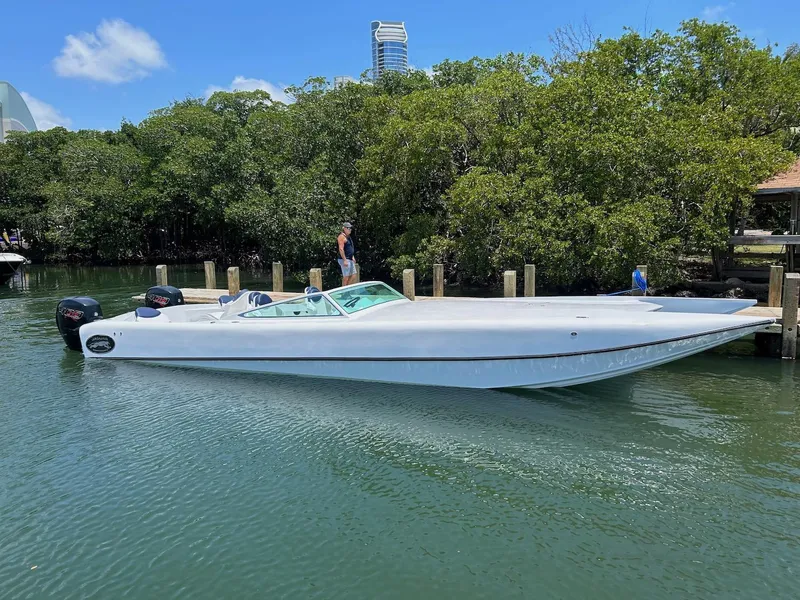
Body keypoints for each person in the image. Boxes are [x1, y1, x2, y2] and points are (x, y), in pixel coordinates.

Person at [337, 222, 356, 287]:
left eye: (350, 228)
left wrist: (352, 256)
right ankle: (344, 291)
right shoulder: (341, 237)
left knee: (353, 275)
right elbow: (341, 249)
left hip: (350, 258)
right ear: (344, 228)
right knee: (346, 276)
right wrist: (344, 260)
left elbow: (349, 247)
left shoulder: (348, 237)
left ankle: (347, 289)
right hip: (344, 259)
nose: (350, 230)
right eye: (348, 228)